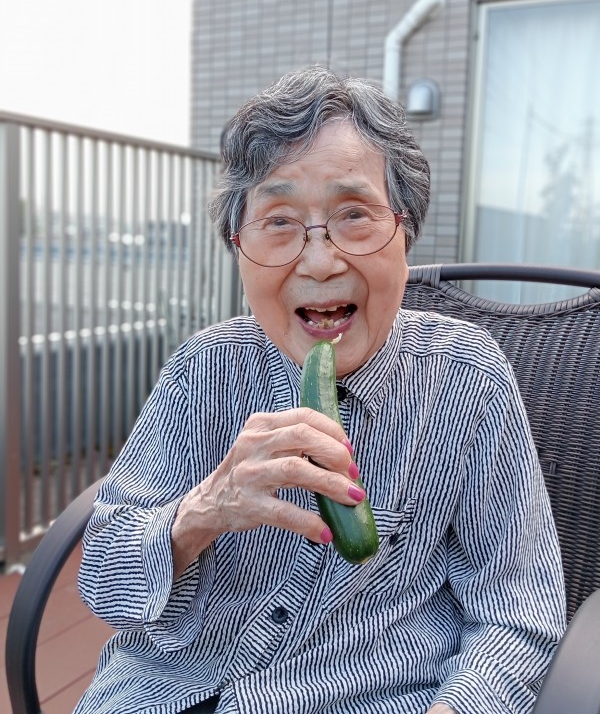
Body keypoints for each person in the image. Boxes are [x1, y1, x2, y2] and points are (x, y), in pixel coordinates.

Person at [75, 66, 566, 714]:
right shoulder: (203, 368)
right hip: (166, 689)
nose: (320, 260)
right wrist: (201, 514)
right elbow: (103, 579)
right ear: (239, 248)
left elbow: (519, 611)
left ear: (405, 233)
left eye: (354, 214)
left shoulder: (466, 377)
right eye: (278, 221)